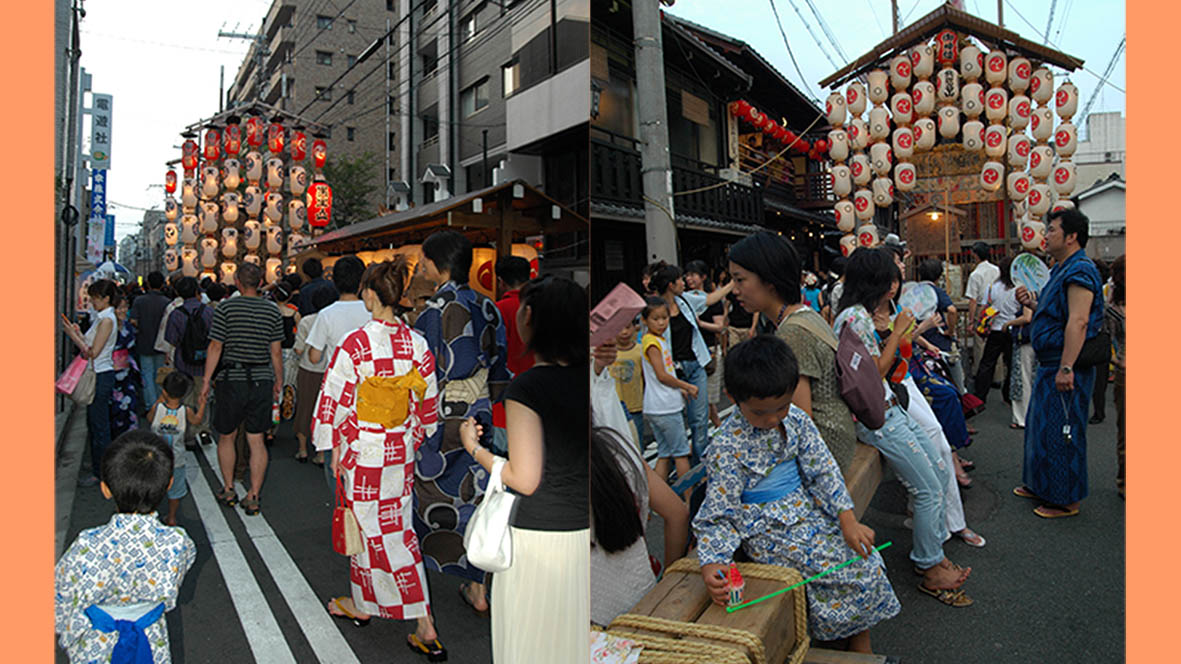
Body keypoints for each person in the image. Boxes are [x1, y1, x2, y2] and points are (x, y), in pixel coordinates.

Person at [695, 336, 902, 652]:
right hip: (768, 530)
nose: (774, 418)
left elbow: (823, 470)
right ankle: (854, 643)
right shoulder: (727, 445)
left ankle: (858, 638)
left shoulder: (796, 419)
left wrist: (847, 518)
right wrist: (714, 563)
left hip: (808, 511)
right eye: (761, 412)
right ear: (732, 398)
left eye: (782, 406)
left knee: (865, 556)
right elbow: (718, 514)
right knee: (847, 567)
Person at [311, 258, 446, 659]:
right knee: (388, 526)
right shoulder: (416, 343)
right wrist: (413, 435)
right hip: (398, 451)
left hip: (363, 453)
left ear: (371, 293)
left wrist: (332, 444)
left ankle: (423, 620)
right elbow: (426, 407)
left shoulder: (356, 343)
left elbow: (334, 399)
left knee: (385, 536)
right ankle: (365, 602)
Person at [458, 275, 590, 664]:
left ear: (528, 316)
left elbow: (524, 478)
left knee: (532, 644)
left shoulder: (528, 388)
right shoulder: (591, 378)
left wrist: (474, 448)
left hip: (538, 538)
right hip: (583, 533)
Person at [834, 248, 973, 605]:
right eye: (890, 278)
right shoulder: (854, 319)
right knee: (927, 488)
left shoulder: (861, 315)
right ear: (877, 282)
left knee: (940, 472)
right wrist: (897, 333)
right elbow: (873, 374)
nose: (895, 285)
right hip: (878, 417)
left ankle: (933, 554)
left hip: (891, 409)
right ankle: (929, 565)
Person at [413, 230, 510, 615]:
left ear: (438, 264)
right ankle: (478, 584)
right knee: (478, 493)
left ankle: (421, 578)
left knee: (430, 494)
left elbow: (422, 372)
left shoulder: (432, 311)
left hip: (440, 415)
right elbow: (499, 363)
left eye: (424, 261)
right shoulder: (489, 306)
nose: (421, 267)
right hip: (480, 410)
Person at [54, 431, 196, 663]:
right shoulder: (178, 542)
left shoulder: (87, 545)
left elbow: (60, 596)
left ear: (105, 489)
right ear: (169, 483)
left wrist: (67, 629)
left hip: (96, 643)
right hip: (150, 640)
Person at [727, 232, 858, 473]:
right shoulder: (805, 314)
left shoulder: (792, 334)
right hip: (840, 434)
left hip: (826, 448)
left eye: (739, 280)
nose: (734, 290)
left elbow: (799, 418)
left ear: (769, 280)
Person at [1014, 208, 1105, 518]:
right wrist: (1032, 304)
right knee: (1041, 427)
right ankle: (1042, 485)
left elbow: (1078, 320)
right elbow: (1058, 312)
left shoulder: (1081, 269)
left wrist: (1067, 366)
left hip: (1066, 364)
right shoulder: (1060, 269)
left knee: (1062, 430)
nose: (1046, 235)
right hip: (1050, 362)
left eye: (1052, 230)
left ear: (1071, 237)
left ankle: (1066, 499)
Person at [199, 261, 284, 516]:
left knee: (227, 435)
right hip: (261, 378)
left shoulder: (226, 308)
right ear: (260, 282)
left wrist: (206, 379)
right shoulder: (272, 311)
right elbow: (276, 351)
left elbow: (215, 346)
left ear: (237, 281)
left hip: (231, 378)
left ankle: (228, 488)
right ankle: (254, 494)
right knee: (256, 439)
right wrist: (278, 380)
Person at [590, 426, 689, 627]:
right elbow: (678, 513)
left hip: (592, 623)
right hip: (644, 597)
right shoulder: (619, 449)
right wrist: (667, 585)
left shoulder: (541, 480)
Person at [649, 263, 733, 461]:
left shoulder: (685, 301)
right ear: (671, 284)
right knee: (676, 419)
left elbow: (711, 299)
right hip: (671, 372)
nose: (684, 282)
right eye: (680, 279)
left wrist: (732, 283)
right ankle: (677, 464)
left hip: (695, 366)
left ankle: (699, 465)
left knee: (699, 420)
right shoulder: (655, 310)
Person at [306, 256, 373, 471]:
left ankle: (341, 496)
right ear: (362, 282)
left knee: (336, 446)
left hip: (338, 391)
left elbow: (314, 357)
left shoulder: (326, 314)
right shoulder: (372, 311)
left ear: (334, 281)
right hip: (371, 388)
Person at [63, 279, 121, 488]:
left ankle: (101, 472)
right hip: (100, 373)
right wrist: (78, 333)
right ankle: (99, 465)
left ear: (106, 298)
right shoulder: (102, 317)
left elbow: (92, 353)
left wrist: (72, 335)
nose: (93, 302)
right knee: (95, 423)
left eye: (96, 298)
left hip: (100, 374)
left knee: (99, 425)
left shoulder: (107, 320)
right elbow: (91, 345)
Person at [640, 296, 698, 497]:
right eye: (655, 319)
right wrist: (687, 386)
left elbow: (665, 373)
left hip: (658, 406)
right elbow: (662, 375)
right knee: (681, 454)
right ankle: (689, 498)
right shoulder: (651, 343)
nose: (661, 322)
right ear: (644, 320)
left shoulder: (657, 339)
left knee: (664, 454)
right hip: (665, 407)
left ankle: (657, 498)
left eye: (664, 318)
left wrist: (679, 389)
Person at [151, 371, 208, 526]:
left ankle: (151, 515)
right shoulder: (186, 410)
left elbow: (150, 418)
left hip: (156, 458)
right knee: (175, 491)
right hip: (176, 459)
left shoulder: (158, 407)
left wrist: (160, 399)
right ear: (184, 393)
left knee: (154, 487)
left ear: (164, 390)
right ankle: (171, 517)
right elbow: (197, 421)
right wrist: (202, 404)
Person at [164, 276, 216, 448]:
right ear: (197, 291)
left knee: (184, 399)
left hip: (183, 363)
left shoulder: (176, 314)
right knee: (203, 397)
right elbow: (215, 338)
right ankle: (204, 430)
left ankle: (188, 435)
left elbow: (171, 339)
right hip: (205, 363)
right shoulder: (209, 312)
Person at [492, 255, 533, 453]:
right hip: (538, 401)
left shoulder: (496, 311)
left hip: (503, 404)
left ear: (501, 282)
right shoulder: (542, 308)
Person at [292, 286, 337, 463]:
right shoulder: (335, 319)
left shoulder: (306, 321)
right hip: (330, 371)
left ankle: (303, 449)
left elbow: (298, 349)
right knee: (325, 411)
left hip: (308, 370)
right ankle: (320, 453)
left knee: (305, 407)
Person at [684, 260, 726, 429]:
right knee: (701, 398)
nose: (689, 278)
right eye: (687, 275)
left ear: (703, 277)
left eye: (693, 275)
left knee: (707, 398)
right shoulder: (685, 299)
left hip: (709, 350)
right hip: (690, 352)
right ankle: (718, 428)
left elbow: (720, 326)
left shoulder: (712, 300)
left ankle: (718, 427)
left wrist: (700, 324)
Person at [916, 259, 966, 394]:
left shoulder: (912, 293)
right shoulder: (936, 291)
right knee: (956, 383)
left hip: (919, 343)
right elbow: (952, 310)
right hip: (939, 344)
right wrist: (950, 331)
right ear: (939, 275)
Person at [973, 255, 1017, 403]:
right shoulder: (1019, 288)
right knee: (1011, 364)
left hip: (995, 328)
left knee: (987, 363)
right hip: (1013, 328)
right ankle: (1008, 394)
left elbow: (984, 306)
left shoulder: (992, 287)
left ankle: (980, 394)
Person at [129, 271, 171, 410]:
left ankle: (150, 406)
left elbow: (133, 321)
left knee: (147, 374)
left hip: (144, 341)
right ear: (162, 284)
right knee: (160, 375)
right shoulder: (167, 303)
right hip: (162, 344)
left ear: (147, 283)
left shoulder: (139, 301)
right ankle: (161, 404)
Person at [608, 317, 646, 449]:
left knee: (637, 444)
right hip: (615, 406)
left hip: (636, 405)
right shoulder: (608, 353)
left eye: (628, 327)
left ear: (635, 327)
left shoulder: (640, 350)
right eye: (619, 328)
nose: (624, 332)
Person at [1106, 254, 1126, 499]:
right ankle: (1124, 480)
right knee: (1127, 431)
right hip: (1126, 372)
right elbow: (1103, 343)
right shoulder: (1112, 310)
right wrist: (1118, 361)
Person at [109, 295, 141, 440]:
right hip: (110, 372)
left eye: (125, 307)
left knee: (130, 406)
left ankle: (129, 440)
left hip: (127, 373)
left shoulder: (128, 326)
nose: (123, 310)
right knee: (113, 409)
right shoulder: (107, 325)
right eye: (119, 307)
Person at [965, 242, 1000, 374]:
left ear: (975, 255)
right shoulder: (997, 270)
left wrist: (971, 321)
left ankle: (981, 373)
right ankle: (997, 375)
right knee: (995, 341)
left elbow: (972, 300)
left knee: (980, 343)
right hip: (995, 308)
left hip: (982, 309)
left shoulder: (975, 274)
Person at [1089, 257, 1112, 424]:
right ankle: (1099, 411)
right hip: (1102, 336)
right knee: (1099, 378)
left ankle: (1098, 411)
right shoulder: (1104, 288)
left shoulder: (1103, 290)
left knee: (1098, 378)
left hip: (1096, 336)